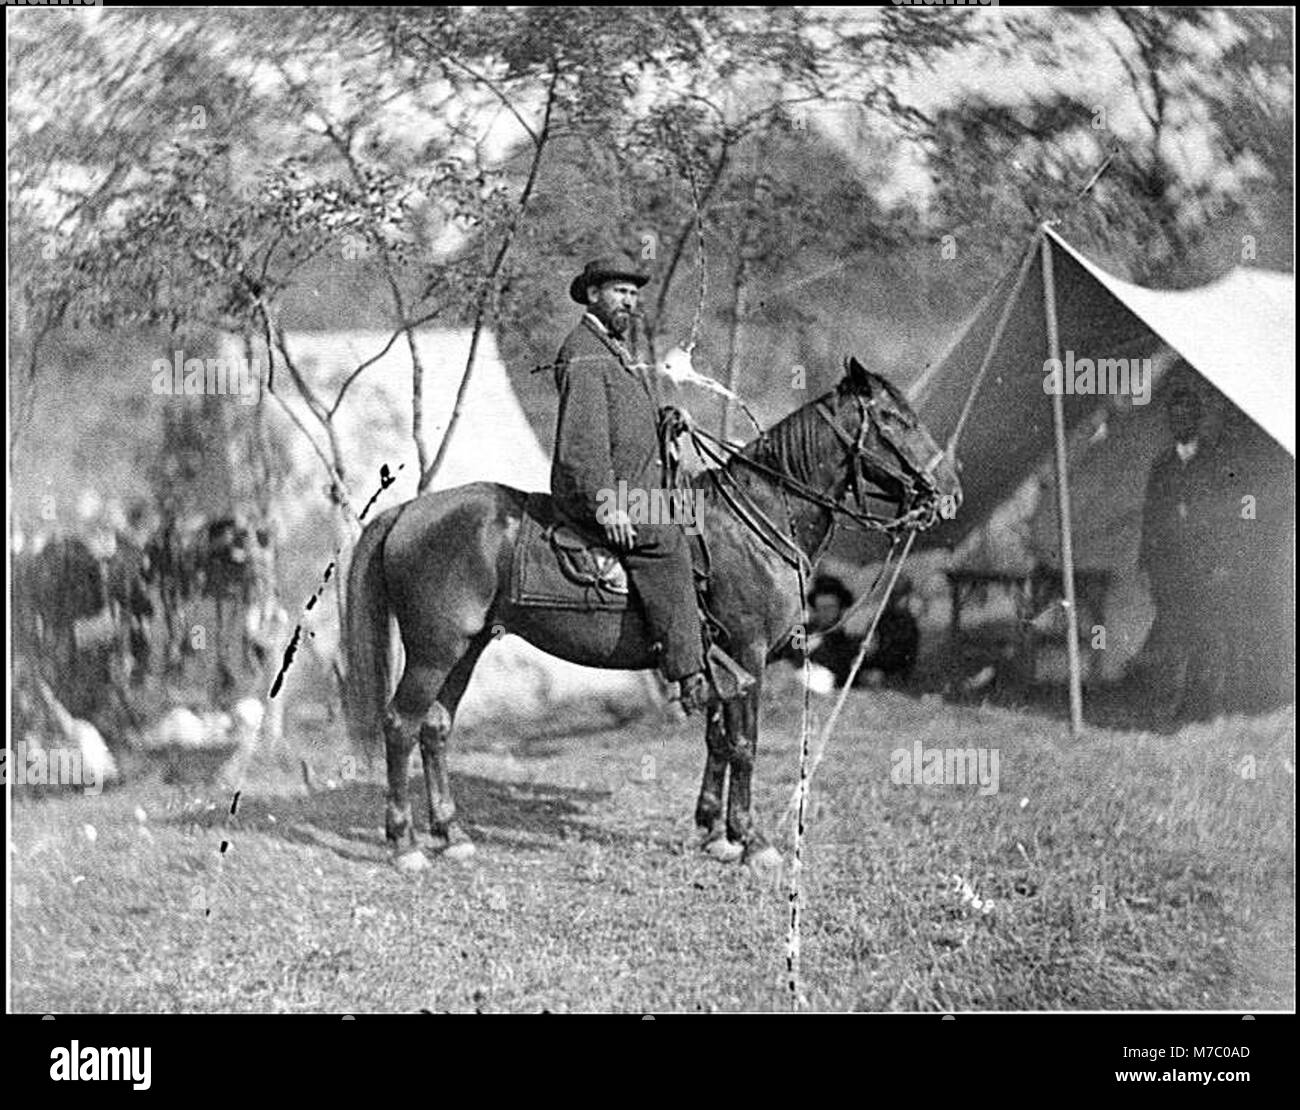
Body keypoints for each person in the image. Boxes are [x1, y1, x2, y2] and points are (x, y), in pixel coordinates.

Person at [550, 256, 709, 713]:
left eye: (634, 294)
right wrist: (609, 506)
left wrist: (665, 421)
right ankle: (687, 672)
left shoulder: (614, 349)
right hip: (601, 495)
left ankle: (703, 635)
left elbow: (623, 424)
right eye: (620, 292)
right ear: (593, 294)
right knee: (665, 537)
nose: (629, 301)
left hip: (635, 489)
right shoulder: (583, 351)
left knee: (704, 518)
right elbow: (582, 446)